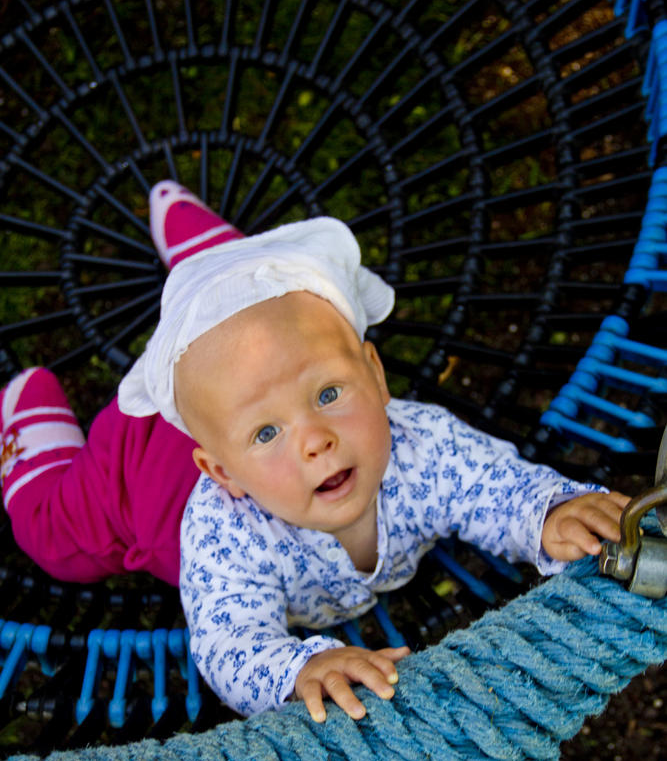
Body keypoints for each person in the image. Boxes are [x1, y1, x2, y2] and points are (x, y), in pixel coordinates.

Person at [0, 181, 630, 722]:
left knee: (255, 325)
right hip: (140, 480)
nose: (313, 439)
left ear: (376, 376)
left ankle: (221, 266)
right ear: (222, 472)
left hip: (229, 401)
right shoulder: (229, 537)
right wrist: (306, 665)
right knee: (55, 537)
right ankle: (33, 438)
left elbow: (494, 487)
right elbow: (231, 644)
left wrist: (548, 513)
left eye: (329, 391)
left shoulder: (421, 445)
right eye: (269, 434)